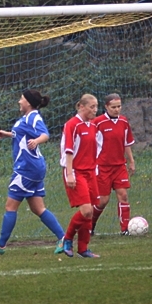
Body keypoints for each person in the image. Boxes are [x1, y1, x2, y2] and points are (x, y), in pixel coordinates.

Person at [0, 90, 66, 255]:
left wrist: (37, 141)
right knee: (38, 208)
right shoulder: (27, 118)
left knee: (10, 206)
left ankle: (1, 245)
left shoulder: (33, 117)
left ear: (28, 102)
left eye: (21, 98)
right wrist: (8, 134)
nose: (19, 101)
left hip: (26, 169)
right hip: (34, 168)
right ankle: (63, 238)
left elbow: (45, 134)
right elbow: (22, 134)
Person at [60, 94, 101, 258]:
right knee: (86, 210)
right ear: (81, 107)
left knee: (90, 212)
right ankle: (67, 238)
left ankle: (83, 249)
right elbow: (68, 150)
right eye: (92, 107)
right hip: (76, 172)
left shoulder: (93, 125)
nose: (95, 110)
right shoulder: (72, 124)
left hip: (90, 172)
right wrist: (70, 174)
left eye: (96, 106)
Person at [91, 93, 136, 235]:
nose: (117, 110)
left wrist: (131, 161)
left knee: (123, 195)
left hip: (119, 166)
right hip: (102, 167)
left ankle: (125, 229)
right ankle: (90, 225)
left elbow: (126, 143)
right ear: (106, 107)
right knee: (102, 201)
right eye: (113, 107)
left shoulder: (123, 121)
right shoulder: (98, 123)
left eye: (119, 106)